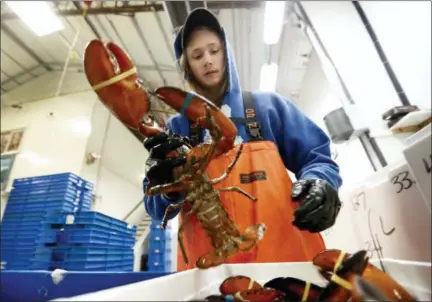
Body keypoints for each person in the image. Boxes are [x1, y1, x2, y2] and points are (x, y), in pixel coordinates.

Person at [143, 8, 342, 271]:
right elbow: (156, 207)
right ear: (187, 65)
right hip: (210, 272)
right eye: (197, 55)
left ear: (226, 52)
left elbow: (316, 157)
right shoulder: (176, 128)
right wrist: (167, 186)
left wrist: (320, 182)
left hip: (284, 261)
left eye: (214, 50)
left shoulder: (267, 106)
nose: (207, 60)